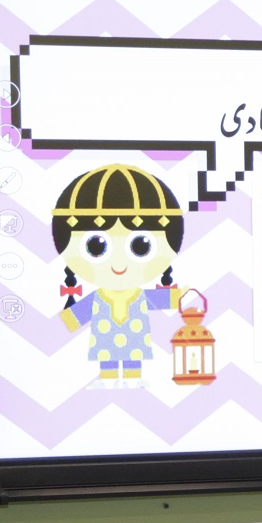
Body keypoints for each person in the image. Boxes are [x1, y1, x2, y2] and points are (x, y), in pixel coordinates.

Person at [52, 163, 184, 388]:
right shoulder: (98, 298)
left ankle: (132, 381)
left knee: (133, 362)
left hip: (134, 343)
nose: (119, 263)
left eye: (141, 246)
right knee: (108, 362)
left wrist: (181, 296)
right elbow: (72, 319)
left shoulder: (141, 297)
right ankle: (109, 380)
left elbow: (168, 299)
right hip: (106, 344)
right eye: (95, 246)